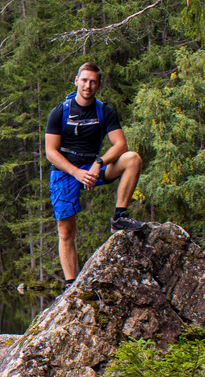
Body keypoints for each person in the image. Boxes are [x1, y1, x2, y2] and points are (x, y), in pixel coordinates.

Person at [44, 61, 147, 292]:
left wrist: (97, 163)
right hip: (65, 171)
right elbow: (51, 152)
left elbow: (120, 145)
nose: (88, 85)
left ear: (98, 85)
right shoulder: (60, 111)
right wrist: (77, 172)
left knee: (133, 159)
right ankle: (71, 285)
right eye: (84, 80)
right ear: (76, 81)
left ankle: (119, 216)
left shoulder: (105, 111)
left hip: (94, 167)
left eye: (92, 82)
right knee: (66, 231)